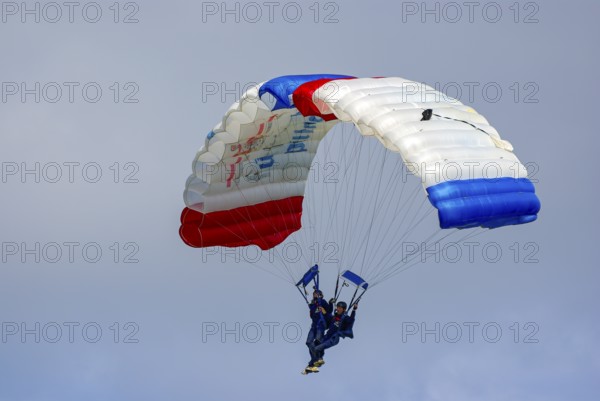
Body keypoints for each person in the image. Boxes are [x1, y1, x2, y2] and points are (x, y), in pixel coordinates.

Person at [303, 300, 357, 374]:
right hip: (326, 337)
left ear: (344, 310)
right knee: (312, 345)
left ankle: (318, 361)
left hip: (334, 338)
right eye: (338, 307)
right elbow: (326, 319)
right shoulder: (333, 318)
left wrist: (354, 310)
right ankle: (312, 365)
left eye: (340, 308)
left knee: (316, 348)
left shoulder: (345, 318)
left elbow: (351, 321)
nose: (338, 309)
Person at [305, 290, 332, 370]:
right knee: (309, 342)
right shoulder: (313, 305)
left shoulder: (322, 301)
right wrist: (312, 306)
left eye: (316, 294)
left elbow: (329, 311)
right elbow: (312, 316)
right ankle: (315, 359)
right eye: (314, 294)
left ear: (320, 295)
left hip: (321, 324)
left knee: (318, 341)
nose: (314, 295)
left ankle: (320, 357)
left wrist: (330, 303)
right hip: (313, 326)